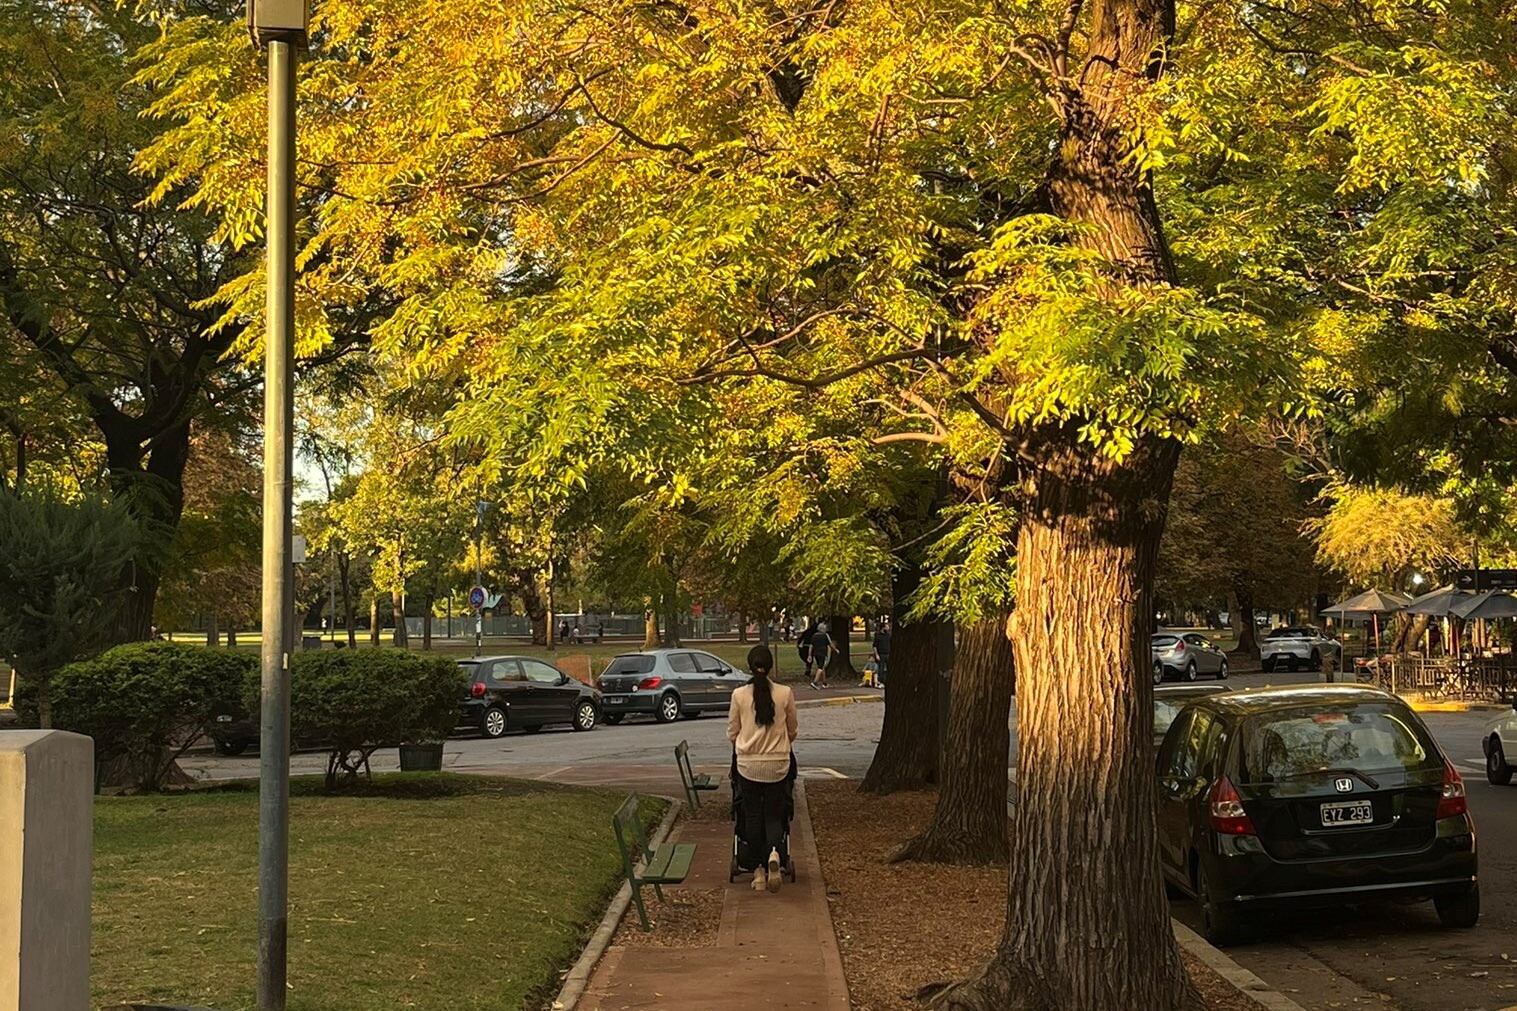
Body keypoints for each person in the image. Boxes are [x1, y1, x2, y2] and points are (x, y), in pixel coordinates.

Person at [727, 645, 798, 893]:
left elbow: (732, 731)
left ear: (749, 666)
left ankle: (757, 869)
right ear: (770, 667)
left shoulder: (739, 695)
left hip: (748, 765)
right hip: (778, 764)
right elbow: (792, 729)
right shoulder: (785, 693)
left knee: (753, 816)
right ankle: (774, 854)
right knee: (774, 815)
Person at [810, 621, 833, 690]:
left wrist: (809, 655)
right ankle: (815, 682)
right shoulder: (825, 635)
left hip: (816, 653)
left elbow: (811, 646)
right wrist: (836, 649)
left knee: (822, 667)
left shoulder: (814, 635)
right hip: (823, 653)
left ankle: (824, 683)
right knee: (820, 667)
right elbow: (830, 644)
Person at [870, 617, 891, 689]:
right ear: (883, 628)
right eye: (887, 626)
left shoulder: (888, 635)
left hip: (888, 653)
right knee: (881, 669)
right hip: (881, 654)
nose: (888, 628)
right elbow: (875, 646)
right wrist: (876, 655)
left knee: (889, 668)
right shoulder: (878, 636)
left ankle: (888, 681)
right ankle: (881, 682)